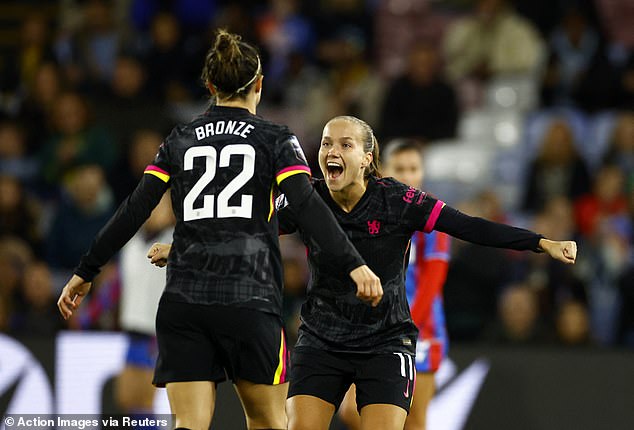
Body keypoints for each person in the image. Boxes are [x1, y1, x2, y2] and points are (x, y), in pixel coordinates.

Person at [152, 115, 577, 430]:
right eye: (325, 143)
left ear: (368, 158)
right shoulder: (307, 198)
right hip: (321, 339)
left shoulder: (399, 201)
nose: (331, 151)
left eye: (345, 144)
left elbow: (470, 226)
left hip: (385, 341)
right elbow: (251, 230)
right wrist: (185, 248)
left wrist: (541, 242)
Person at [57, 30, 381, 430]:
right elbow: (308, 206)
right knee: (267, 421)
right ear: (259, 85)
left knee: (189, 423)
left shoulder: (179, 139)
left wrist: (86, 270)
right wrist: (355, 264)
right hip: (251, 298)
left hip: (185, 302)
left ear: (210, 86)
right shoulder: (275, 139)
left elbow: (134, 209)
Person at [337, 140, 451, 430]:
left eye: (414, 168)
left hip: (419, 329)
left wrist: (406, 325)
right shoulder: (369, 212)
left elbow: (432, 283)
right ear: (383, 170)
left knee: (413, 421)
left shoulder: (431, 217)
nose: (408, 176)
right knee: (352, 410)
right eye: (400, 168)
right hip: (371, 326)